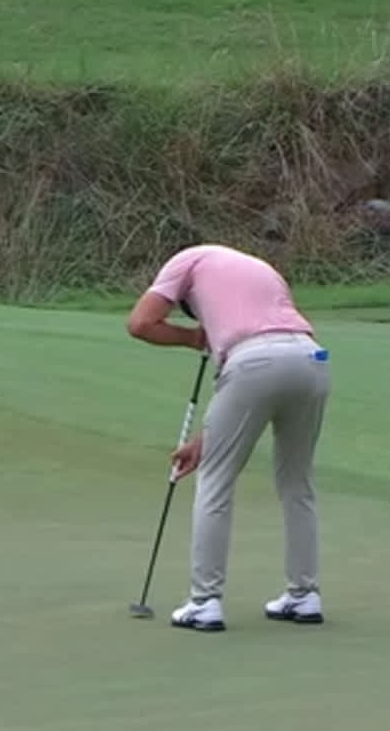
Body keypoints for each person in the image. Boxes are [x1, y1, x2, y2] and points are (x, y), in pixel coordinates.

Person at [125, 243, 330, 633]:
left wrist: (190, 338)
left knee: (215, 482)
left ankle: (204, 602)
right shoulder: (260, 267)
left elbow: (140, 323)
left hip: (252, 360)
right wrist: (205, 441)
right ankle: (305, 596)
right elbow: (246, 392)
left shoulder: (186, 260)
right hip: (311, 359)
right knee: (296, 483)